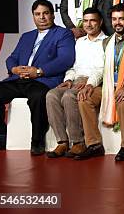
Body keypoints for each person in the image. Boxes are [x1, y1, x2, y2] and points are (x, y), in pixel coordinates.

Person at [0, 0, 75, 154]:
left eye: (45, 13)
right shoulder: (27, 36)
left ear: (52, 14)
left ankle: (37, 140)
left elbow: (65, 59)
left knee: (37, 97)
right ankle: (1, 134)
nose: (42, 17)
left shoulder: (63, 34)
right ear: (33, 16)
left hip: (43, 80)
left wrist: (38, 72)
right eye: (37, 14)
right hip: (19, 79)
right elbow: (12, 58)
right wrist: (14, 69)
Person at [76, 3, 124, 161]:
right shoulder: (107, 42)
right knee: (84, 98)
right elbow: (100, 70)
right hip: (108, 86)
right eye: (114, 19)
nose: (118, 22)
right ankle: (94, 144)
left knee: (123, 101)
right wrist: (90, 84)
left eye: (121, 19)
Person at [45, 8, 106, 158]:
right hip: (75, 79)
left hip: (95, 81)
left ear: (100, 22)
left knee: (69, 96)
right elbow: (73, 66)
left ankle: (78, 142)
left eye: (93, 20)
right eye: (85, 21)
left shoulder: (107, 42)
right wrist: (68, 80)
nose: (89, 24)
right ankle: (62, 142)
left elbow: (103, 69)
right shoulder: (79, 42)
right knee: (51, 95)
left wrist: (89, 82)